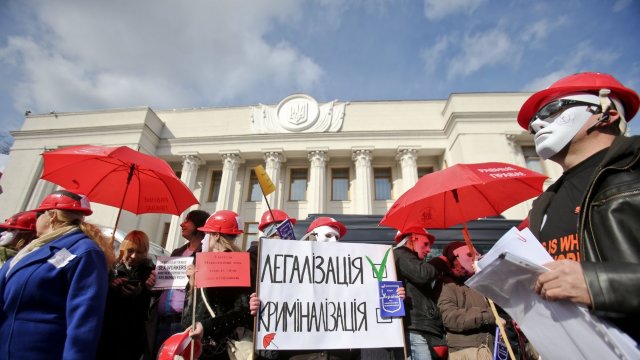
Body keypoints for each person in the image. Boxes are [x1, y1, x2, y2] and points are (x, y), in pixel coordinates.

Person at [518, 72, 640, 342]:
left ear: (606, 113)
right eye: (532, 123)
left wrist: (598, 285)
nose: (537, 124)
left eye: (552, 109)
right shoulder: (544, 204)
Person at [0, 189, 114, 359]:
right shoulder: (33, 249)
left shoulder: (85, 252)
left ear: (51, 215)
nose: (36, 219)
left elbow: (83, 322)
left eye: (40, 214)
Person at [185, 210, 253, 360]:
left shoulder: (238, 266)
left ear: (216, 236)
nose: (202, 241)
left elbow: (242, 312)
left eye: (206, 235)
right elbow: (189, 313)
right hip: (200, 348)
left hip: (222, 350)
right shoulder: (201, 266)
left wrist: (205, 326)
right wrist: (191, 281)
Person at [151, 209, 210, 358]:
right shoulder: (177, 252)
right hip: (162, 320)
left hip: (182, 322)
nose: (181, 225)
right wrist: (153, 281)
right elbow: (164, 285)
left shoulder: (205, 254)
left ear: (198, 225)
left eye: (187, 221)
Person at [393, 226, 449, 360]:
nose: (429, 250)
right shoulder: (401, 254)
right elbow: (422, 275)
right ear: (412, 239)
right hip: (415, 329)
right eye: (425, 244)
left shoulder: (409, 259)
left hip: (419, 328)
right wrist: (440, 261)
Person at [99, 230, 156, 360]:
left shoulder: (151, 272)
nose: (134, 256)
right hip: (108, 332)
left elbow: (150, 308)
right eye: (130, 251)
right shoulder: (112, 267)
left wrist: (142, 292)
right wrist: (112, 287)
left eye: (139, 252)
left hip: (133, 336)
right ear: (123, 249)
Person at [437, 241, 496, 360]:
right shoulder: (448, 285)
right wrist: (488, 316)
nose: (476, 258)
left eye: (477, 254)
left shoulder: (480, 282)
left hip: (489, 348)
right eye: (469, 255)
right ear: (455, 260)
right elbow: (450, 317)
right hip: (467, 352)